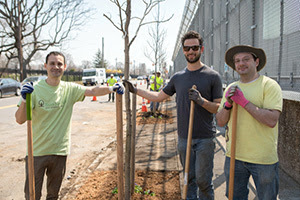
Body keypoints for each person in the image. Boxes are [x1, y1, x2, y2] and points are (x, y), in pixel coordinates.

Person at [124, 30, 223, 199]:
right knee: (188, 179)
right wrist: (135, 90)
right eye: (187, 48)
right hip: (184, 138)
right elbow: (158, 97)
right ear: (183, 51)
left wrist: (201, 101)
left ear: (202, 49)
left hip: (205, 138)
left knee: (203, 181)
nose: (191, 51)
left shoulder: (213, 76)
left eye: (194, 48)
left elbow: (218, 108)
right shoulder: (178, 78)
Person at [15, 51, 124, 200]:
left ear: (64, 67)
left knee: (53, 195)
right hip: (36, 153)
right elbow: (20, 119)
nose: (56, 67)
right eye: (52, 63)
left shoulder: (69, 89)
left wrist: (112, 88)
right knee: (32, 196)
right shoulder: (35, 90)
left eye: (59, 64)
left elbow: (92, 90)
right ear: (45, 66)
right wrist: (24, 100)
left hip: (59, 152)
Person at [215, 45, 282, 199]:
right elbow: (220, 121)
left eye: (246, 59)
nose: (241, 63)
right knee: (234, 196)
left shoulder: (269, 85)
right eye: (237, 61)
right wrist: (228, 105)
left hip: (263, 159)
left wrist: (244, 102)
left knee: (267, 197)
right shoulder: (231, 88)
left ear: (256, 62)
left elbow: (271, 120)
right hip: (234, 156)